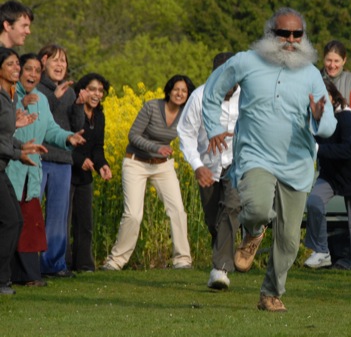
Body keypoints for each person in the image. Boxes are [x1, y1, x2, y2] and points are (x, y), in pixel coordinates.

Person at [202, 7, 336, 312]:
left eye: (296, 34)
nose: (290, 40)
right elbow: (212, 91)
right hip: (255, 155)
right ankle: (253, 232)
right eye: (283, 33)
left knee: (289, 240)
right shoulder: (245, 61)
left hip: (297, 164)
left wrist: (318, 118)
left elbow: (329, 125)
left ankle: (270, 292)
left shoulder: (312, 75)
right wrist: (213, 128)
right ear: (269, 34)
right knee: (257, 209)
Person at [102, 75, 195, 271]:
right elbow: (133, 135)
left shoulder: (185, 114)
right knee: (133, 214)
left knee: (178, 210)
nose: (180, 94)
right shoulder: (152, 107)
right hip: (136, 163)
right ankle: (115, 261)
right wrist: (155, 147)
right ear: (169, 90)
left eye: (184, 91)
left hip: (163, 166)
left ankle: (183, 260)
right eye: (176, 89)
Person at [7, 53, 85, 286]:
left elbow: (51, 129)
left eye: (36, 71)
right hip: (11, 167)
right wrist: (19, 105)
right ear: (19, 72)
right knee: (11, 223)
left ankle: (29, 276)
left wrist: (69, 137)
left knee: (30, 224)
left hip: (32, 172)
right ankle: (10, 275)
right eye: (28, 69)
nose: (32, 74)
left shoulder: (40, 99)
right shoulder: (8, 95)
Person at [178, 52, 241, 289]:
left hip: (238, 162)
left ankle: (220, 269)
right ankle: (223, 255)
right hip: (208, 166)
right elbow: (185, 132)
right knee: (213, 220)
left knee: (233, 206)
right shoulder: (199, 96)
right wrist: (197, 166)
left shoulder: (248, 96)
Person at [304, 79, 351, 275]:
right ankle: (321, 250)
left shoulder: (344, 117)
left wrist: (319, 149)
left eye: (323, 96)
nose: (320, 101)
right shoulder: (311, 117)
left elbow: (349, 149)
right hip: (330, 174)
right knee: (314, 202)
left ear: (333, 97)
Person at [0, 47, 47, 295]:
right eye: (11, 64)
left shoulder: (9, 97)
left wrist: (23, 145)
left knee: (15, 220)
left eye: (17, 64)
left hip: (3, 166)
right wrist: (19, 154)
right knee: (10, 221)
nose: (16, 69)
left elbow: (4, 135)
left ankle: (3, 280)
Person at [36, 44, 85, 278]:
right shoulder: (35, 88)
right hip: (39, 157)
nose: (60, 66)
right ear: (43, 61)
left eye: (63, 62)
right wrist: (54, 99)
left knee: (58, 214)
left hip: (63, 160)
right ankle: (26, 262)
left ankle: (54, 264)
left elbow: (76, 128)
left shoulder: (69, 91)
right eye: (55, 60)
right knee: (31, 211)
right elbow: (42, 121)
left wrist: (79, 106)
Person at [67, 73, 112, 272]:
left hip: (85, 176)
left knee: (85, 222)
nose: (96, 94)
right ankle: (62, 263)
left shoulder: (99, 116)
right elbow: (64, 140)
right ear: (82, 90)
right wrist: (79, 160)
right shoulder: (72, 111)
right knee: (65, 220)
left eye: (100, 91)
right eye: (92, 89)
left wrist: (102, 164)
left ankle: (84, 264)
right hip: (67, 171)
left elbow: (97, 147)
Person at [321, 40, 351, 121]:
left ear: (344, 61)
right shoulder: (314, 77)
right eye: (329, 60)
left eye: (336, 61)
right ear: (323, 58)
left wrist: (340, 108)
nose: (332, 65)